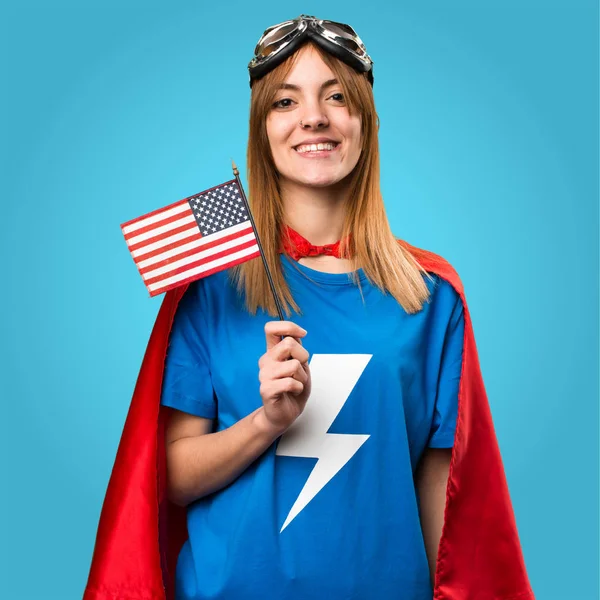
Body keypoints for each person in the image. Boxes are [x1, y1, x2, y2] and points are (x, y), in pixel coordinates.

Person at [84, 15, 535, 600]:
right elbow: (168, 478)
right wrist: (266, 422)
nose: (313, 118)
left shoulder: (430, 295)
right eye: (285, 102)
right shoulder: (210, 287)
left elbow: (444, 495)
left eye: (337, 96)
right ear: (263, 130)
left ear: (364, 123)